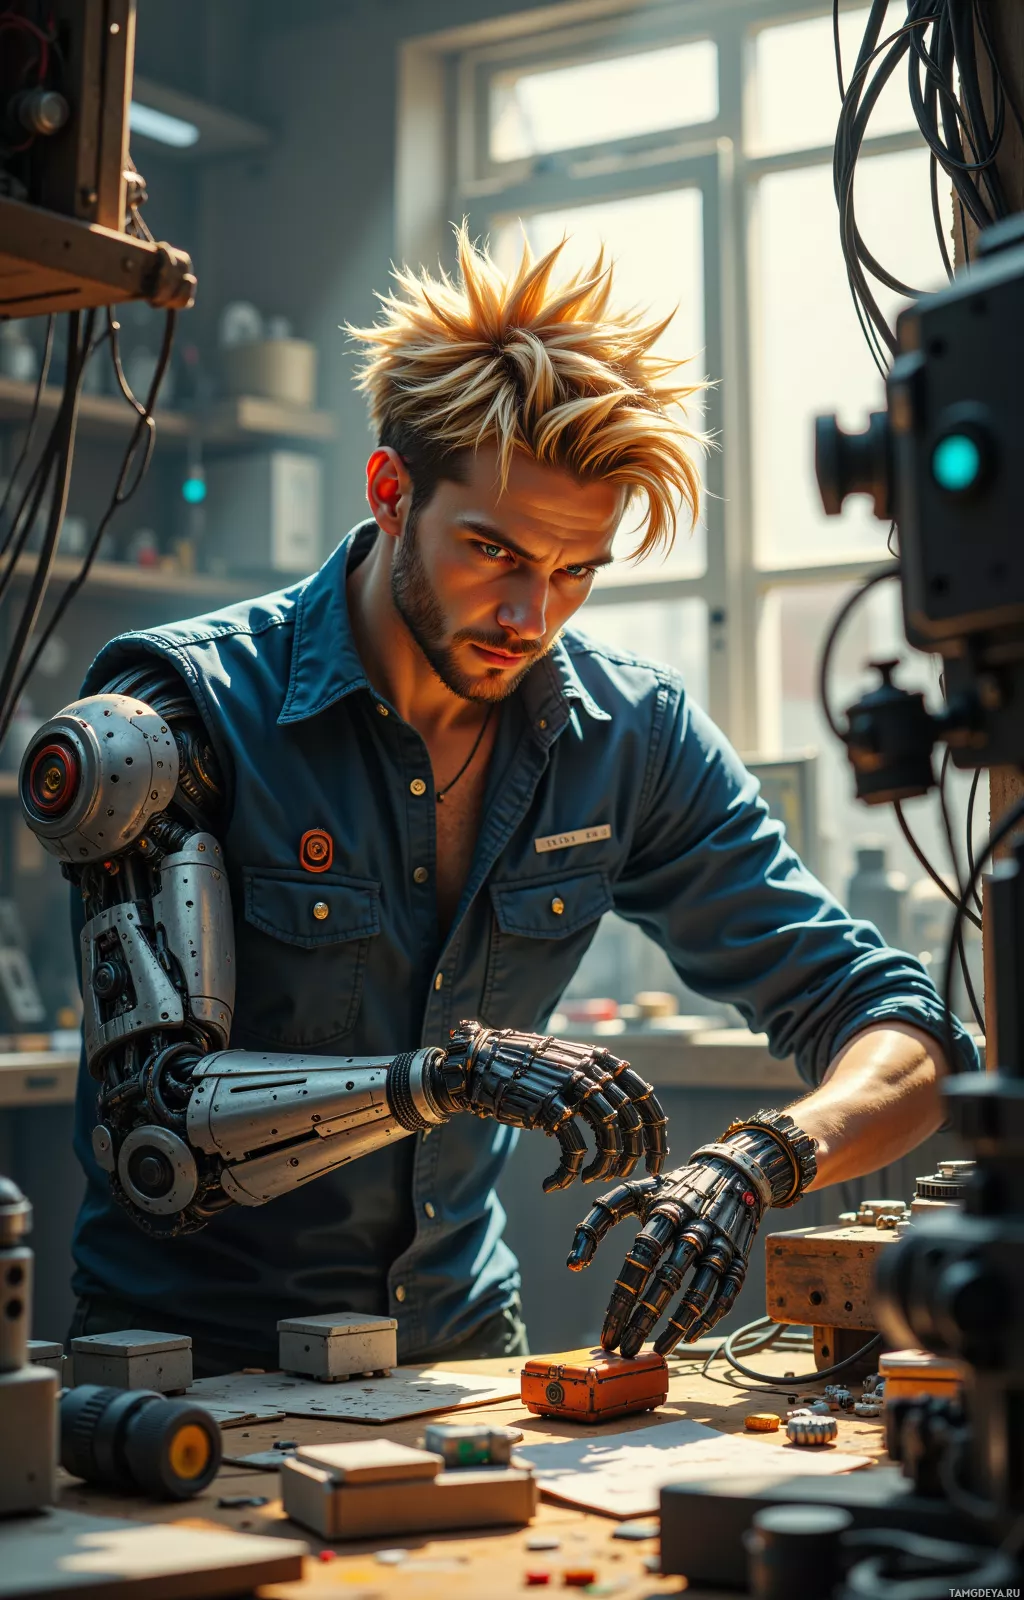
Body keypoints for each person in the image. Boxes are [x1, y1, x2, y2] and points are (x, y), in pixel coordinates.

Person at [64, 228, 975, 1375]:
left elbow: (903, 1028)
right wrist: (443, 1077)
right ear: (391, 490)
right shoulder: (180, 712)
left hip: (457, 1356)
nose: (529, 614)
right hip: (182, 1367)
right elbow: (157, 1113)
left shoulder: (630, 738)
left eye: (575, 568)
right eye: (492, 550)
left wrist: (761, 1159)